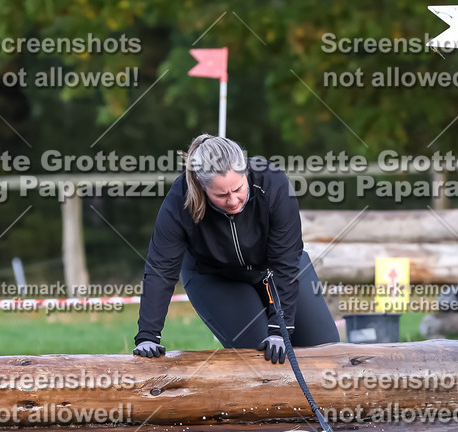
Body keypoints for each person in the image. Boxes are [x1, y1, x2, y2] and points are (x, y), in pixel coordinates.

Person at [132, 133, 339, 362]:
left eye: (238, 189)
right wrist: (148, 336)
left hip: (277, 267)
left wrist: (279, 330)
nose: (232, 201)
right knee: (262, 359)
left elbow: (285, 260)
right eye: (221, 195)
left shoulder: (273, 182)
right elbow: (161, 269)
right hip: (214, 277)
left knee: (326, 351)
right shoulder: (179, 200)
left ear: (246, 173)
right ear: (202, 185)